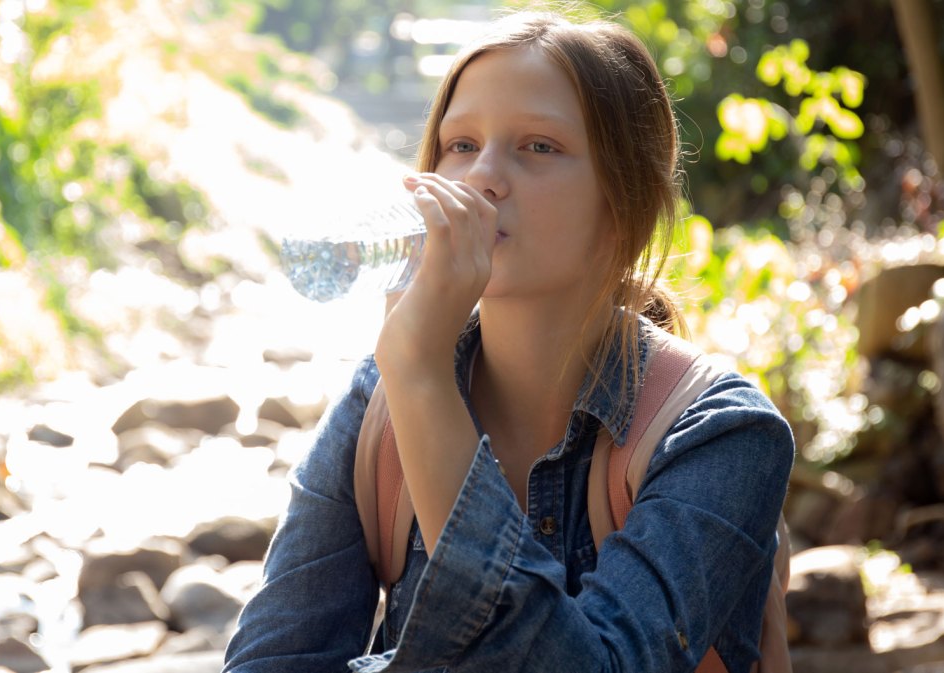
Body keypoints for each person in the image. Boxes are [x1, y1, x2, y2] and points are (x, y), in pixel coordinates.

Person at [223, 10, 794, 673]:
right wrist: (411, 378)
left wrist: (423, 379)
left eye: (538, 147)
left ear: (624, 206)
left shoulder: (722, 435)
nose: (481, 178)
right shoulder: (379, 406)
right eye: (461, 145)